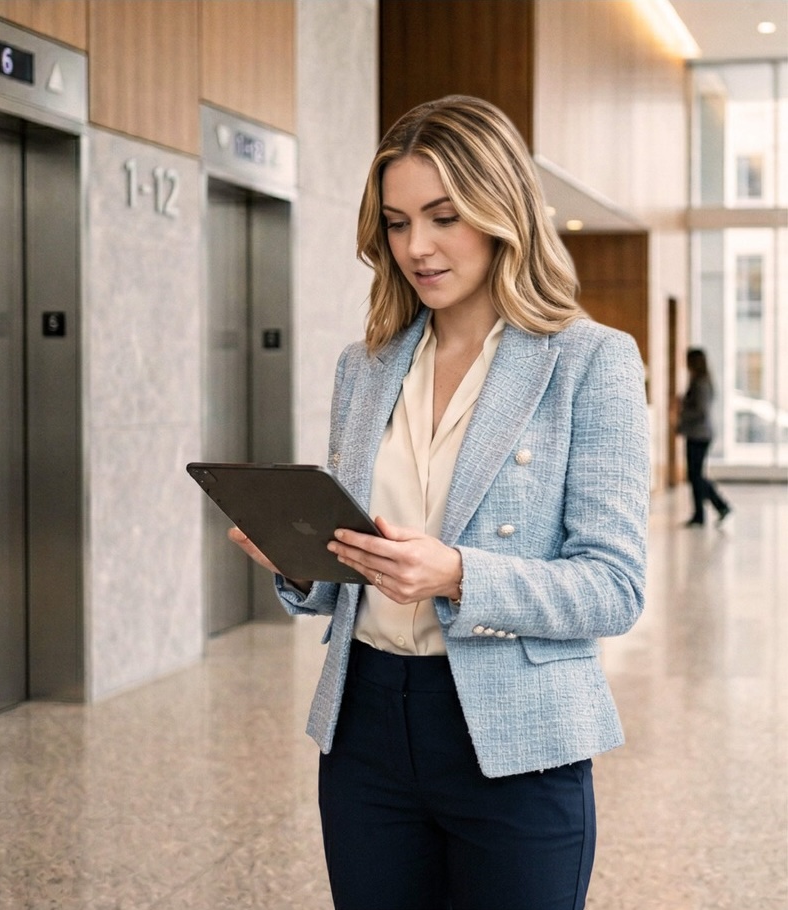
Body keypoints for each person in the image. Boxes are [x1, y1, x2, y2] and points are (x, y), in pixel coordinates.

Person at [228, 95, 650, 910]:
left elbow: (614, 587)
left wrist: (458, 574)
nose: (416, 247)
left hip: (515, 737)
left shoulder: (588, 362)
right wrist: (302, 558)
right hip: (366, 730)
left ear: (504, 214)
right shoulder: (367, 366)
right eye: (395, 223)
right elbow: (350, 570)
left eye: (444, 216)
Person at [677, 347, 731, 526]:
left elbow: (701, 411)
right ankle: (706, 511)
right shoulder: (699, 381)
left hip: (699, 434)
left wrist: (683, 413)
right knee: (695, 475)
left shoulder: (701, 383)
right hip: (697, 433)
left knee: (696, 476)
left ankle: (715, 507)